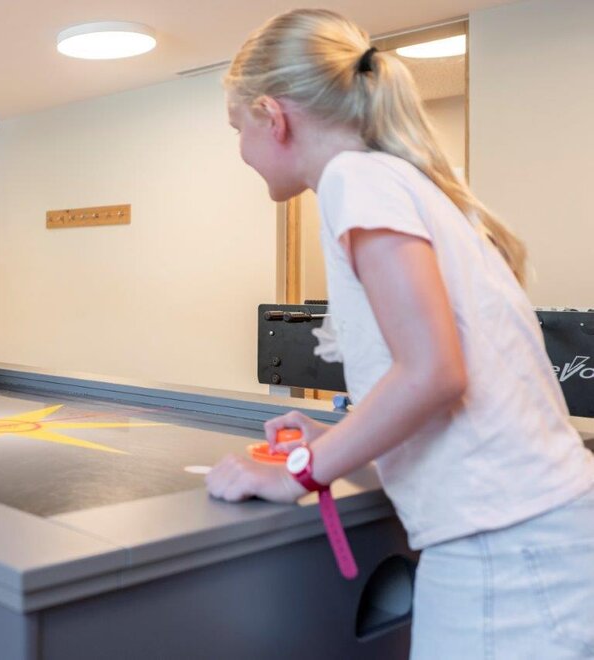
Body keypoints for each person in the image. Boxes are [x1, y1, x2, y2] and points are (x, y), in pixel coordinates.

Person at [206, 9, 594, 658]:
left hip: (504, 544)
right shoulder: (393, 178)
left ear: (273, 117)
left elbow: (434, 372)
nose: (240, 148)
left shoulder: (353, 180)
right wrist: (337, 438)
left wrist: (298, 473)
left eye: (236, 128)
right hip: (527, 529)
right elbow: (434, 370)